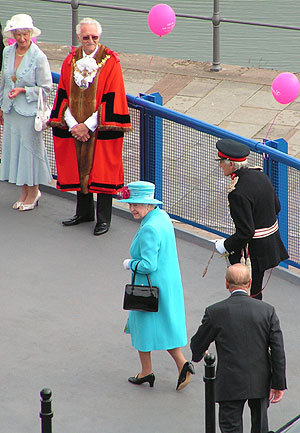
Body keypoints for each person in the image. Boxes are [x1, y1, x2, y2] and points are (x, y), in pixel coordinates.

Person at [49, 17, 132, 236]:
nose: (91, 40)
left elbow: (113, 97)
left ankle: (103, 219)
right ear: (79, 37)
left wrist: (88, 125)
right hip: (76, 126)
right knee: (78, 168)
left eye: (94, 37)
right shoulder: (70, 61)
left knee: (103, 171)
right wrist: (74, 125)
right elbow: (63, 94)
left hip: (99, 127)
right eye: (86, 37)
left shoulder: (111, 62)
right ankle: (84, 212)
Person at [190, 263, 287, 433]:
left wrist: (199, 354)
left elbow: (198, 343)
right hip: (260, 380)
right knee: (260, 427)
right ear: (249, 282)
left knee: (230, 427)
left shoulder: (215, 312)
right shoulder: (267, 311)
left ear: (226, 283)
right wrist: (278, 383)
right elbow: (278, 350)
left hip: (230, 383)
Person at [119, 181, 194, 390]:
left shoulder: (149, 228)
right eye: (130, 203)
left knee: (140, 328)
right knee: (163, 327)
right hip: (167, 284)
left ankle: (148, 371)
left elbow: (148, 265)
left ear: (149, 204)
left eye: (137, 204)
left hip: (148, 288)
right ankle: (179, 366)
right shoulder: (161, 217)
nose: (132, 208)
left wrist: (129, 263)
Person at [214, 138, 289, 299]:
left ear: (231, 164)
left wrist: (225, 245)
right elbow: (277, 207)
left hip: (254, 250)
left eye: (222, 162)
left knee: (248, 292)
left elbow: (246, 232)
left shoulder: (237, 192)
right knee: (255, 289)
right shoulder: (260, 176)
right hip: (270, 243)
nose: (220, 165)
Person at [0, 14, 52, 210]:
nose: (22, 38)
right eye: (18, 34)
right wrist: (1, 106)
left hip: (29, 112)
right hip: (11, 110)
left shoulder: (39, 57)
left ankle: (34, 191)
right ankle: (24, 190)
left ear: (31, 33)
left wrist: (24, 90)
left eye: (25, 34)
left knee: (30, 152)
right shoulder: (7, 52)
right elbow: (4, 81)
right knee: (15, 149)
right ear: (13, 34)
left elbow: (46, 88)